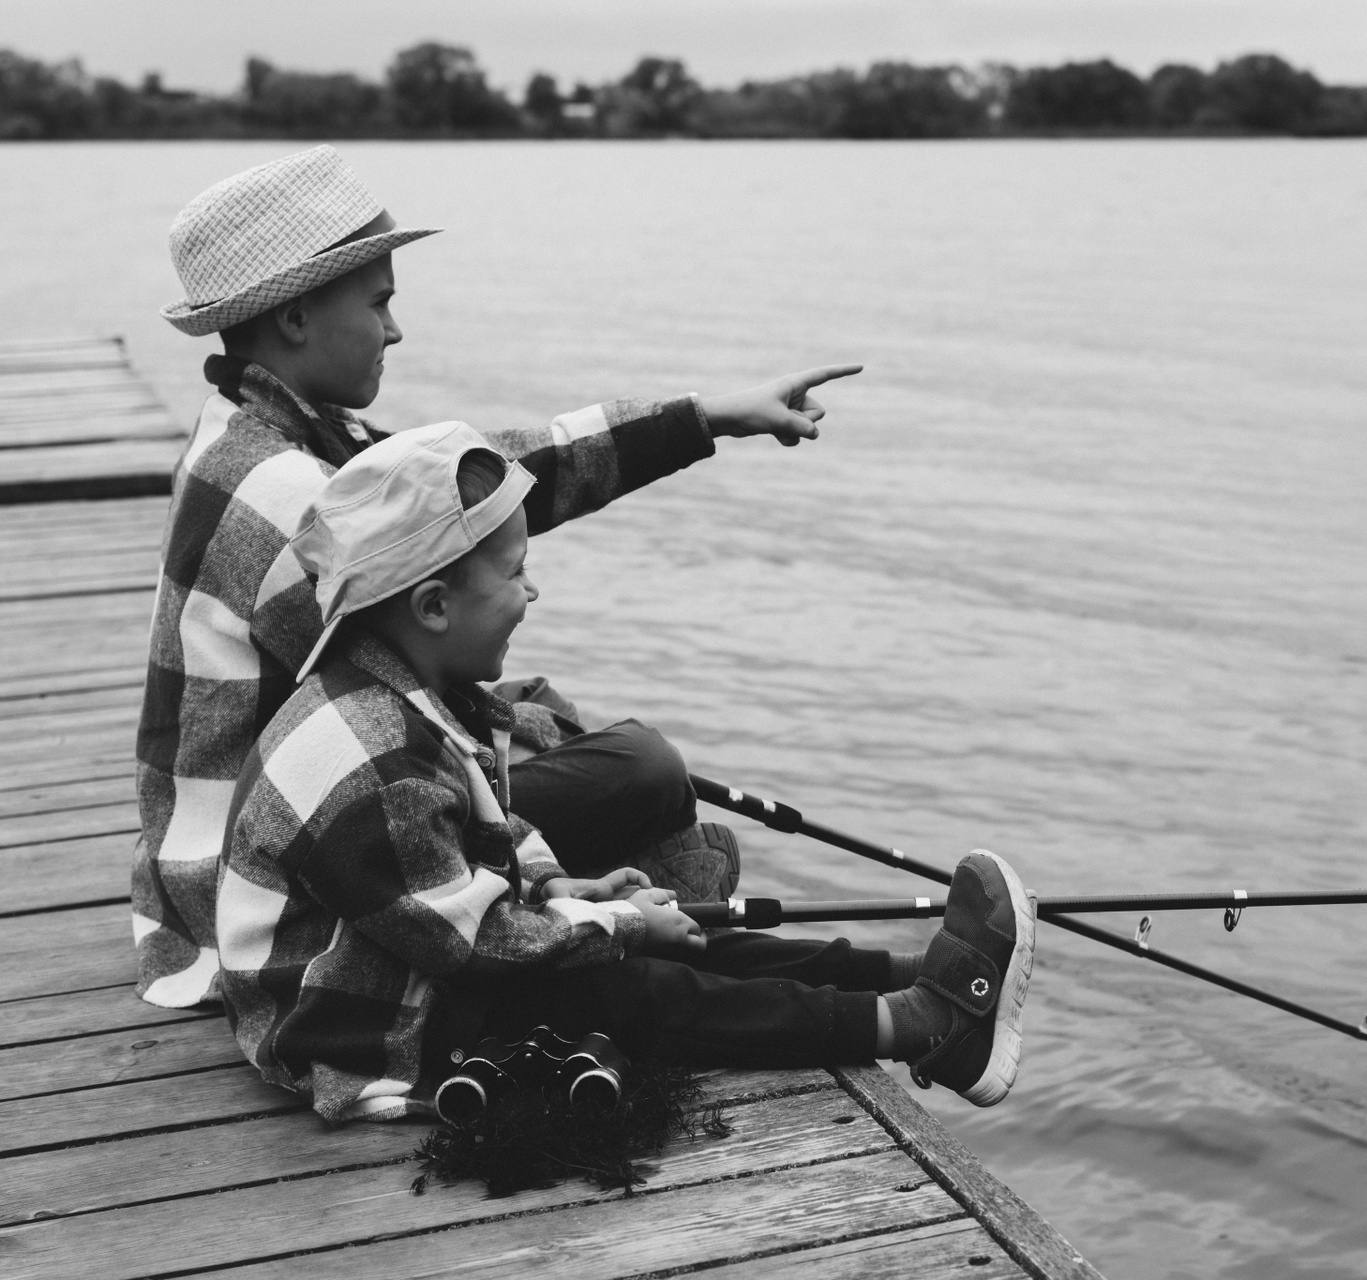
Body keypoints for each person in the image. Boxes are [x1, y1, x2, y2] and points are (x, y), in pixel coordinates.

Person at [136, 143, 856, 1007]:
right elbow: (419, 698)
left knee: (559, 718)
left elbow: (492, 479)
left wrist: (706, 417)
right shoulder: (284, 493)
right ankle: (661, 942)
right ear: (295, 318)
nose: (395, 330)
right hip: (260, 893)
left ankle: (665, 917)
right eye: (379, 302)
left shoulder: (266, 430)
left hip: (277, 827)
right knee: (642, 767)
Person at [216, 425, 1035, 1121]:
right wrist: (622, 928)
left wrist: (569, 887)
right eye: (516, 573)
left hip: (408, 971)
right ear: (433, 606)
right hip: (358, 1031)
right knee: (629, 988)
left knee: (679, 943)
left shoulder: (406, 697)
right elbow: (477, 944)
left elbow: (489, 831)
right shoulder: (374, 760)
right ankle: (919, 1030)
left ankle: (915, 978)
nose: (533, 590)